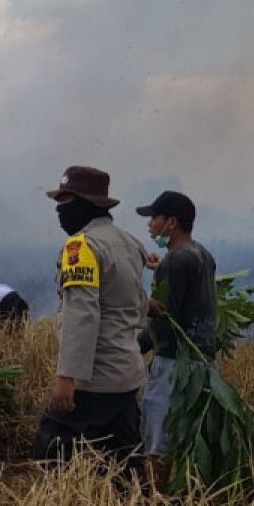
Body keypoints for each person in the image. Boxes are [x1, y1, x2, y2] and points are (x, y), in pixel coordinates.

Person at [33, 166, 150, 484]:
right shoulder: (128, 242)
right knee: (124, 461)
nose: (59, 210)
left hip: (93, 377)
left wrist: (67, 377)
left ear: (87, 204)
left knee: (52, 453)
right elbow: (139, 305)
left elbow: (81, 316)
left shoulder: (81, 248)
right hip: (125, 373)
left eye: (65, 202)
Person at [136, 190, 218, 490]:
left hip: (173, 364)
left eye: (153, 219)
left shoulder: (176, 261)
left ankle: (156, 500)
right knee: (190, 435)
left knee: (159, 438)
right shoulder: (202, 254)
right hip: (202, 362)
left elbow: (165, 316)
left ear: (171, 222)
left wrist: (137, 345)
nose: (149, 225)